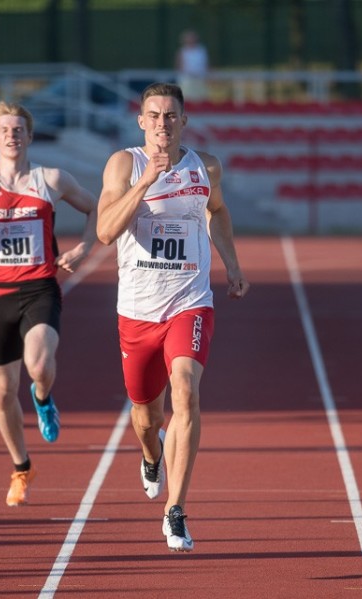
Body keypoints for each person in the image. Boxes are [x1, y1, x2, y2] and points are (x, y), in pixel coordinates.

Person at [96, 82, 249, 551]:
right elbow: (104, 231)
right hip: (138, 312)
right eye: (154, 116)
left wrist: (232, 263)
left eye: (171, 116)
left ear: (184, 121)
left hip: (189, 301)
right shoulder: (125, 164)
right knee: (147, 416)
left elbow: (217, 212)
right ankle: (150, 454)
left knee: (185, 391)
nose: (162, 124)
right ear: (141, 121)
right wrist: (145, 183)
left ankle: (176, 510)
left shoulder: (206, 167)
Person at [0, 101, 97, 507]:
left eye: (19, 129)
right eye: (4, 130)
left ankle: (43, 399)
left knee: (40, 366)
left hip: (40, 288)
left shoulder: (49, 179)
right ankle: (22, 467)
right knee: (1, 393)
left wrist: (83, 247)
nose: (12, 135)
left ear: (29, 136)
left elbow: (95, 206)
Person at [175, 30, 209, 102]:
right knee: (186, 97)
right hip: (187, 78)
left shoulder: (201, 50)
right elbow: (179, 64)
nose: (191, 40)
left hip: (200, 78)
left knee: (200, 98)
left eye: (192, 38)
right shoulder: (182, 51)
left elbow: (206, 63)